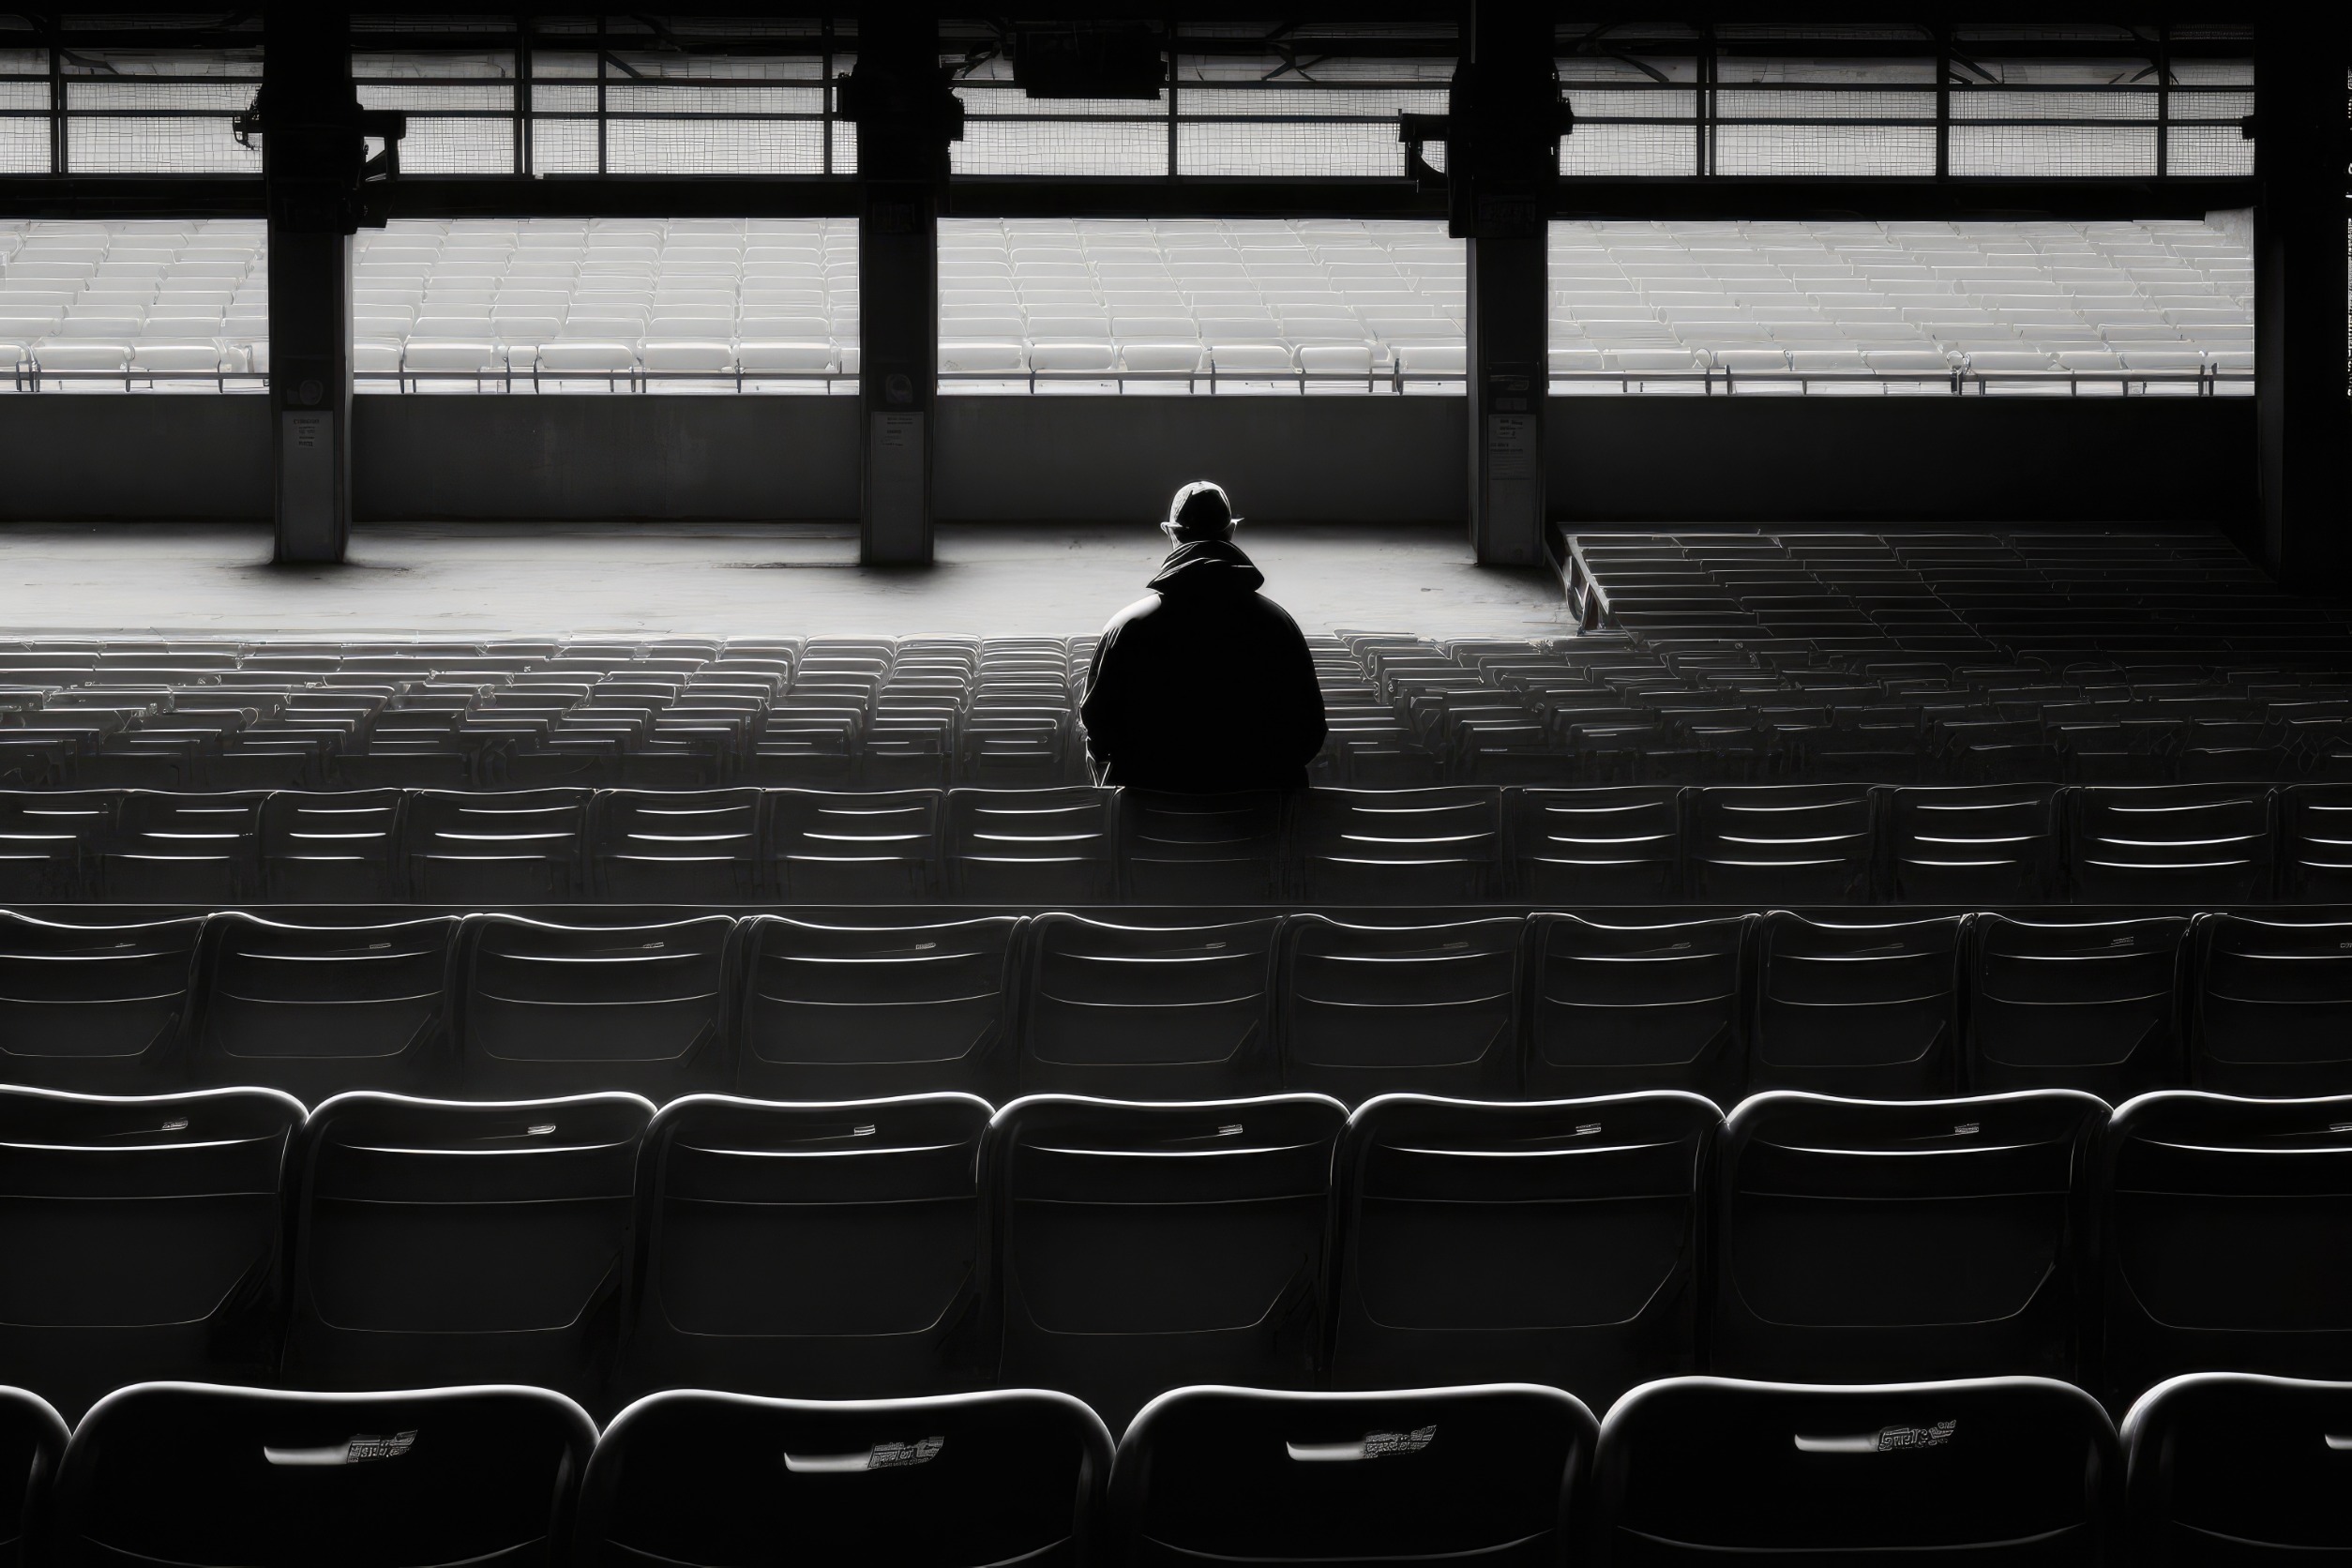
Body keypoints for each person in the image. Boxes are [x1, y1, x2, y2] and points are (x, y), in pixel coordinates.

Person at [1079, 481, 1328, 792]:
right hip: (1258, 821)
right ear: (1231, 531)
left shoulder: (1125, 627)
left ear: (1170, 532)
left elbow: (1100, 731)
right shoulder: (1279, 625)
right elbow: (1309, 734)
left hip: (1151, 822)